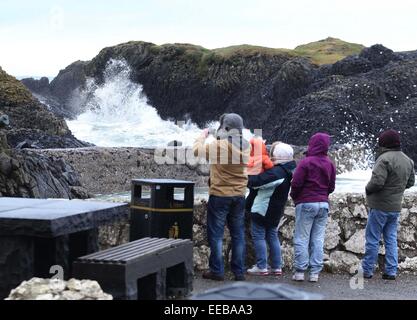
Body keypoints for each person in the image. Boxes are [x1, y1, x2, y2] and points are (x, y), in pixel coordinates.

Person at [193, 113, 250, 281]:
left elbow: (196, 150)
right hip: (239, 195)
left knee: (216, 235)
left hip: (220, 195)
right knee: (238, 234)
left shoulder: (219, 146)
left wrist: (202, 136)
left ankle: (217, 271)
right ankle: (239, 272)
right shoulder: (246, 146)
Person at [362, 129, 415, 280]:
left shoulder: (384, 158)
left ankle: (367, 270)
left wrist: (367, 189)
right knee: (391, 239)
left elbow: (377, 182)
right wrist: (396, 189)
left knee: (372, 238)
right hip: (395, 207)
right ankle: (391, 271)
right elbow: (410, 182)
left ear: (384, 143)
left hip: (379, 206)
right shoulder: (408, 160)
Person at [290, 132, 336, 282]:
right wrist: (322, 195)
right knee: (317, 238)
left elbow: (296, 183)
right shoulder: (330, 163)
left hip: (306, 202)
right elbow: (331, 187)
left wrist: (295, 197)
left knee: (302, 237)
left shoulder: (306, 162)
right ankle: (315, 273)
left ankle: (300, 271)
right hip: (323, 203)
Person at [246, 142, 296, 276]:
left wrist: (250, 172)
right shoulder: (289, 171)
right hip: (276, 210)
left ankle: (261, 266)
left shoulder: (276, 173)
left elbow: (255, 183)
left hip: (263, 209)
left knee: (259, 237)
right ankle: (276, 266)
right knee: (272, 236)